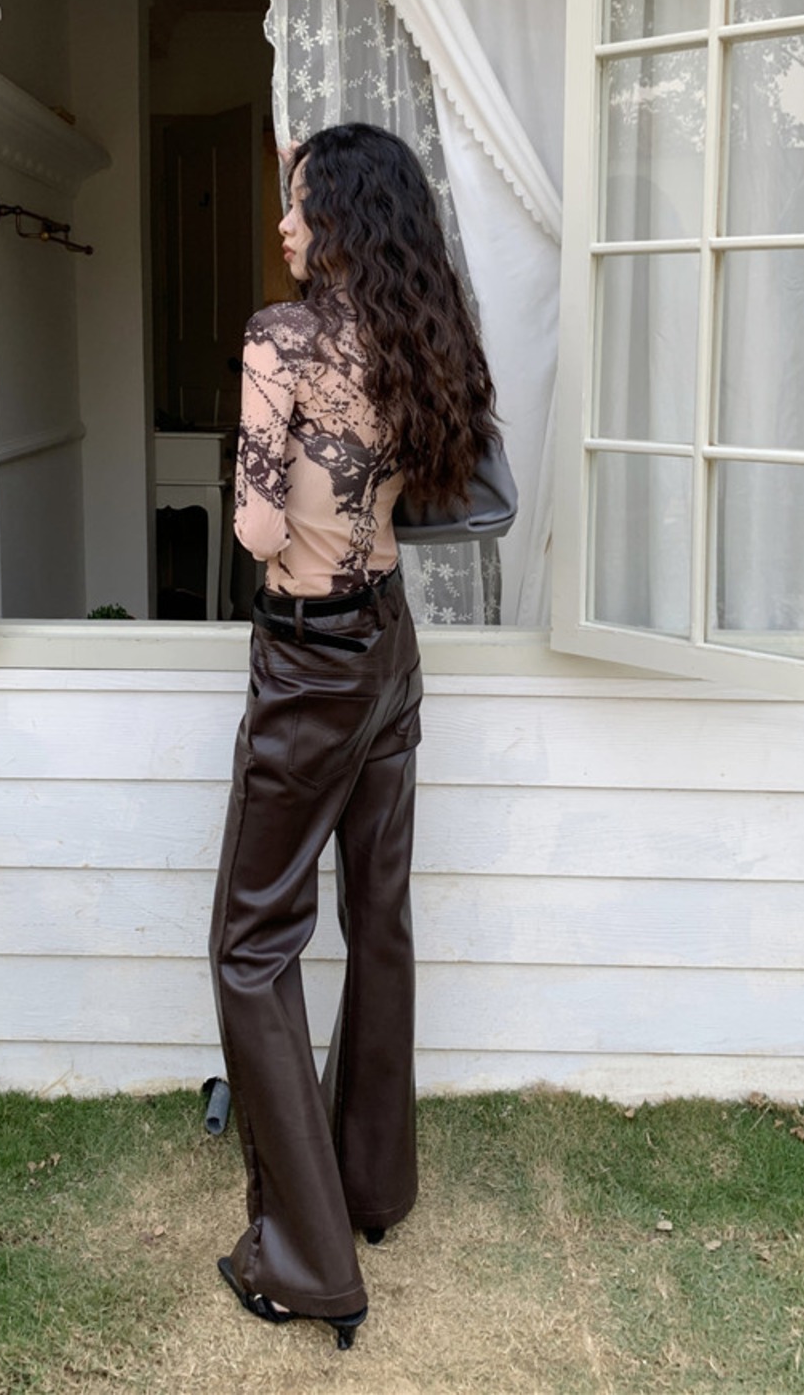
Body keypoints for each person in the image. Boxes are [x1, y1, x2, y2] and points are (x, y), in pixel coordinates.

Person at [208, 122, 500, 1351]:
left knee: (250, 942)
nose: (282, 223)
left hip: (310, 658)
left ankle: (307, 1262)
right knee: (376, 911)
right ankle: (370, 1185)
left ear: (338, 214)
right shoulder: (420, 333)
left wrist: (271, 472)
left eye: (297, 201)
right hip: (389, 648)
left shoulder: (280, 337)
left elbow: (254, 529)